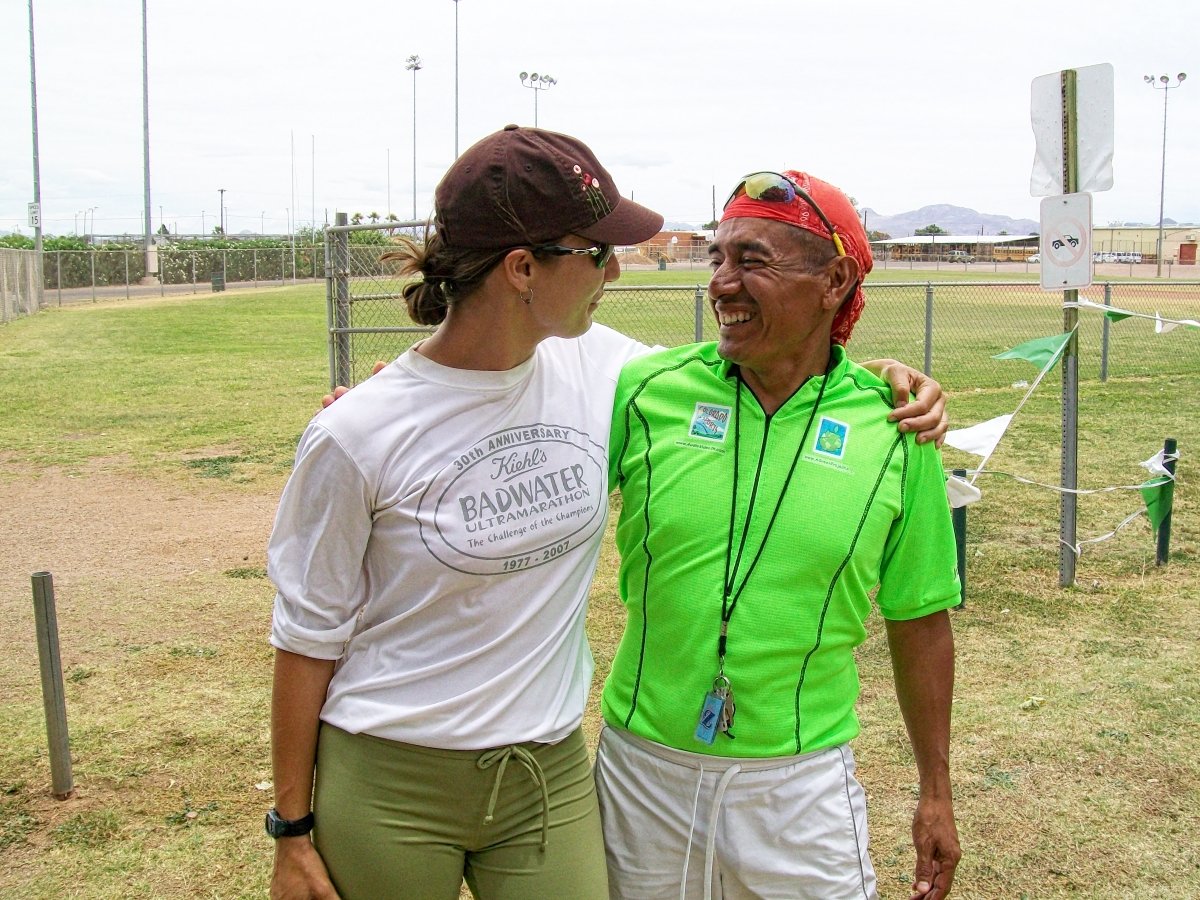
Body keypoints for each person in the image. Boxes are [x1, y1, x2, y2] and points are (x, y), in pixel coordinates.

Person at [270, 126, 947, 900]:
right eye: (598, 252)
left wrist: (881, 378)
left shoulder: (622, 374)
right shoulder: (376, 426)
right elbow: (307, 629)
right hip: (477, 766)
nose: (714, 280)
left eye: (747, 260)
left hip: (631, 773)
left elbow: (787, 374)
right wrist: (289, 828)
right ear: (523, 268)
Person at [594, 170, 962, 900]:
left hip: (799, 790)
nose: (723, 284)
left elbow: (919, 618)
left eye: (753, 261)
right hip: (640, 773)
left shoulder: (895, 429)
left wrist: (936, 789)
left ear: (834, 281)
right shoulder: (642, 392)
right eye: (717, 258)